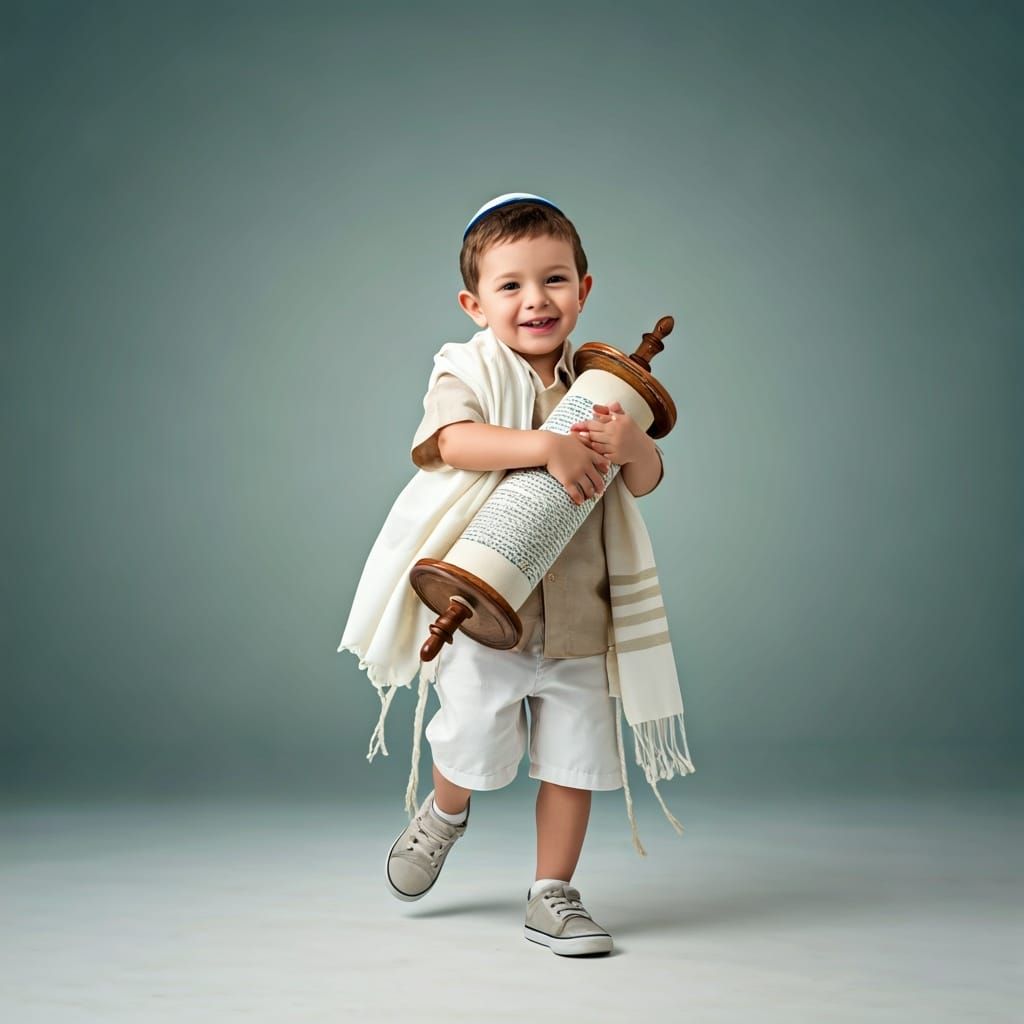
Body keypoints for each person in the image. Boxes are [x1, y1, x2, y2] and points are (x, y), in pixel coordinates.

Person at [381, 193, 673, 957]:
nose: (535, 300)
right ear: (474, 304)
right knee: (472, 733)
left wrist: (630, 441)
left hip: (580, 611)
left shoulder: (602, 385)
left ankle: (554, 892)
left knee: (576, 758)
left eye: (554, 280)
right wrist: (546, 446)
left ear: (584, 289)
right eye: (510, 286)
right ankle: (446, 814)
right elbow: (452, 441)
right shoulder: (468, 367)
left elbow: (644, 479)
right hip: (488, 602)